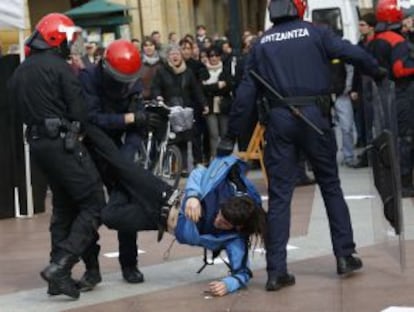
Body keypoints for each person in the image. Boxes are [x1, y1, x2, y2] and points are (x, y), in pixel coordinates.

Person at [217, 0, 386, 291]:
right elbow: (352, 52)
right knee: (330, 186)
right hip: (314, 119)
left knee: (280, 196)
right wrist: (378, 71)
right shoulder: (316, 33)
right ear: (300, 8)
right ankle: (345, 255)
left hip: (280, 121)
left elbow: (245, 94)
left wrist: (230, 136)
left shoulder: (261, 44)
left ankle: (276, 271)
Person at [8, 13, 106, 299]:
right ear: (55, 39)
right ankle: (61, 266)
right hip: (63, 143)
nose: (68, 45)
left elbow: (15, 113)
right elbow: (80, 113)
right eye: (65, 39)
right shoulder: (60, 69)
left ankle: (57, 277)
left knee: (64, 208)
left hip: (37, 146)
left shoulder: (19, 72)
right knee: (94, 203)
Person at [79, 39, 164, 284]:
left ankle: (130, 265)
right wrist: (127, 118)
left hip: (120, 148)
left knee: (125, 204)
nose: (124, 87)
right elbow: (92, 119)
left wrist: (126, 158)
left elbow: (139, 125)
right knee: (89, 208)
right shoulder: (89, 78)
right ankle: (91, 269)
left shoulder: (133, 80)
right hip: (92, 148)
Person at [165, 155, 266, 296]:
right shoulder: (223, 190)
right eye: (220, 214)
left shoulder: (236, 239)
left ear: (238, 227)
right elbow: (199, 172)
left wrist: (228, 284)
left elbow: (243, 272)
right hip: (168, 201)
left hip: (171, 223)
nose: (217, 220)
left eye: (224, 222)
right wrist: (193, 196)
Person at [369, 0, 414, 197]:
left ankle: (394, 180)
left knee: (391, 138)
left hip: (382, 94)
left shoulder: (376, 39)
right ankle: (404, 183)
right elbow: (400, 69)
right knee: (406, 138)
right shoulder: (397, 41)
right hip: (402, 93)